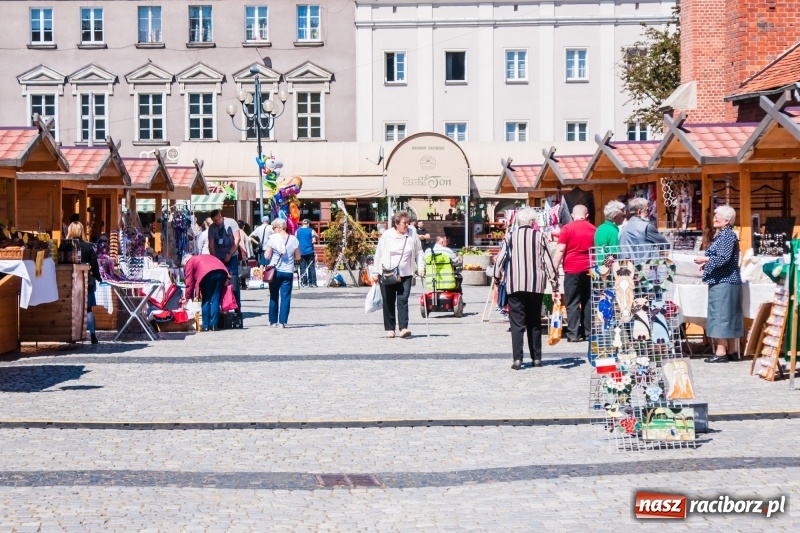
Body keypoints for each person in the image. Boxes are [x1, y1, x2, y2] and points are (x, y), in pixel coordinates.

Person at [494, 208, 559, 369]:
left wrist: (496, 277)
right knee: (534, 321)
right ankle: (536, 358)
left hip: (514, 285)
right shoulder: (540, 236)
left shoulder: (510, 236)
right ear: (532, 222)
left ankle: (517, 359)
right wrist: (555, 283)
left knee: (517, 323)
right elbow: (548, 261)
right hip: (535, 285)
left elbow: (500, 258)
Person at [693, 205, 743, 363]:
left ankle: (721, 352)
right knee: (729, 315)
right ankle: (733, 351)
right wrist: (707, 264)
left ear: (727, 221)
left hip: (723, 280)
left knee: (720, 315)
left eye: (718, 217)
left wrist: (705, 260)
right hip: (727, 280)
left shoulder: (727, 236)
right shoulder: (725, 235)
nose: (714, 219)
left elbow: (723, 258)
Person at [371, 211, 425, 338]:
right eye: (404, 223)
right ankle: (390, 329)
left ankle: (403, 328)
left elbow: (419, 252)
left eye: (408, 222)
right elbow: (378, 253)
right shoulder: (387, 235)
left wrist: (421, 267)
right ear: (396, 224)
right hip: (387, 273)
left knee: (403, 299)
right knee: (388, 301)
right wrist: (375, 272)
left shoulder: (412, 234)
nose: (407, 225)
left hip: (406, 273)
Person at [552, 205, 596, 343]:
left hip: (572, 269)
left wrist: (554, 268)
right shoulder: (594, 229)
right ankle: (588, 333)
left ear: (572, 215)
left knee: (572, 302)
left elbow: (560, 250)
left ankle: (573, 334)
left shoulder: (567, 229)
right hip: (590, 269)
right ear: (587, 215)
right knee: (588, 301)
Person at [64, 222, 102, 344]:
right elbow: (94, 265)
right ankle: (93, 335)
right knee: (88, 309)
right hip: (87, 281)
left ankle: (72, 336)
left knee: (71, 309)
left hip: (68, 280)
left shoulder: (65, 246)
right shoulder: (88, 247)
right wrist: (98, 277)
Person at [264, 218, 301, 327]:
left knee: (274, 296)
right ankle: (283, 322)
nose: (273, 230)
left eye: (274, 227)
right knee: (286, 297)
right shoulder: (294, 239)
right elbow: (298, 256)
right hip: (288, 271)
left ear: (279, 227)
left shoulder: (273, 239)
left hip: (275, 271)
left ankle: (272, 321)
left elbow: (266, 256)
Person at [182, 254, 230, 331]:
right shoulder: (202, 257)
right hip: (221, 272)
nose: (185, 268)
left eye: (184, 266)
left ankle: (206, 326)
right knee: (215, 298)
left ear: (185, 261)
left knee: (206, 299)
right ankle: (214, 325)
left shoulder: (190, 262)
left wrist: (187, 297)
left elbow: (189, 282)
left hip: (207, 274)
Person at [208, 209, 242, 313]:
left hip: (231, 256)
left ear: (220, 215)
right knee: (220, 282)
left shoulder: (231, 222)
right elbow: (211, 244)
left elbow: (237, 239)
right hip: (218, 257)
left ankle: (237, 307)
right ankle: (221, 307)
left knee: (233, 281)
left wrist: (229, 253)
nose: (215, 222)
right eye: (213, 221)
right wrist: (214, 259)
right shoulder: (212, 228)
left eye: (216, 220)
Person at [295, 219, 318, 287]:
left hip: (301, 251)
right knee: (311, 267)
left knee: (302, 268)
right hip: (309, 251)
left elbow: (295, 240)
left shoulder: (297, 231)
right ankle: (313, 283)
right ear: (308, 224)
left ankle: (304, 282)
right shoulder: (311, 230)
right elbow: (314, 241)